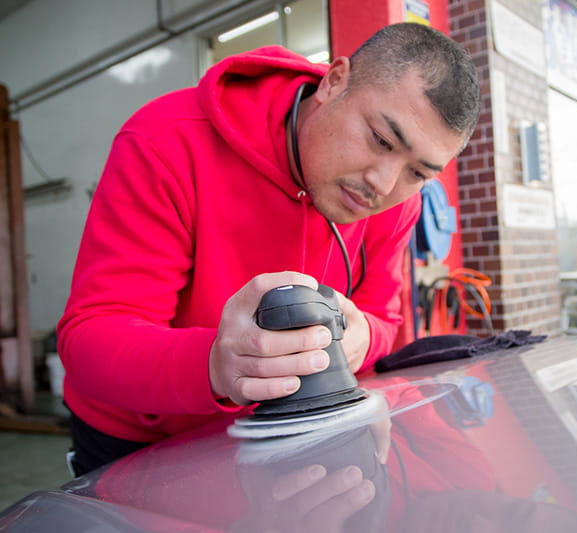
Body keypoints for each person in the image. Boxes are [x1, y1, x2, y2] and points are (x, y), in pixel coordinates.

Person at [56, 22, 480, 476]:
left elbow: (384, 318)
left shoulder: (398, 205)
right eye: (380, 139)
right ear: (334, 81)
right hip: (140, 441)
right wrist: (217, 364)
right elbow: (90, 340)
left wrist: (363, 337)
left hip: (286, 432)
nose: (384, 183)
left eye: (418, 172)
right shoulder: (166, 141)